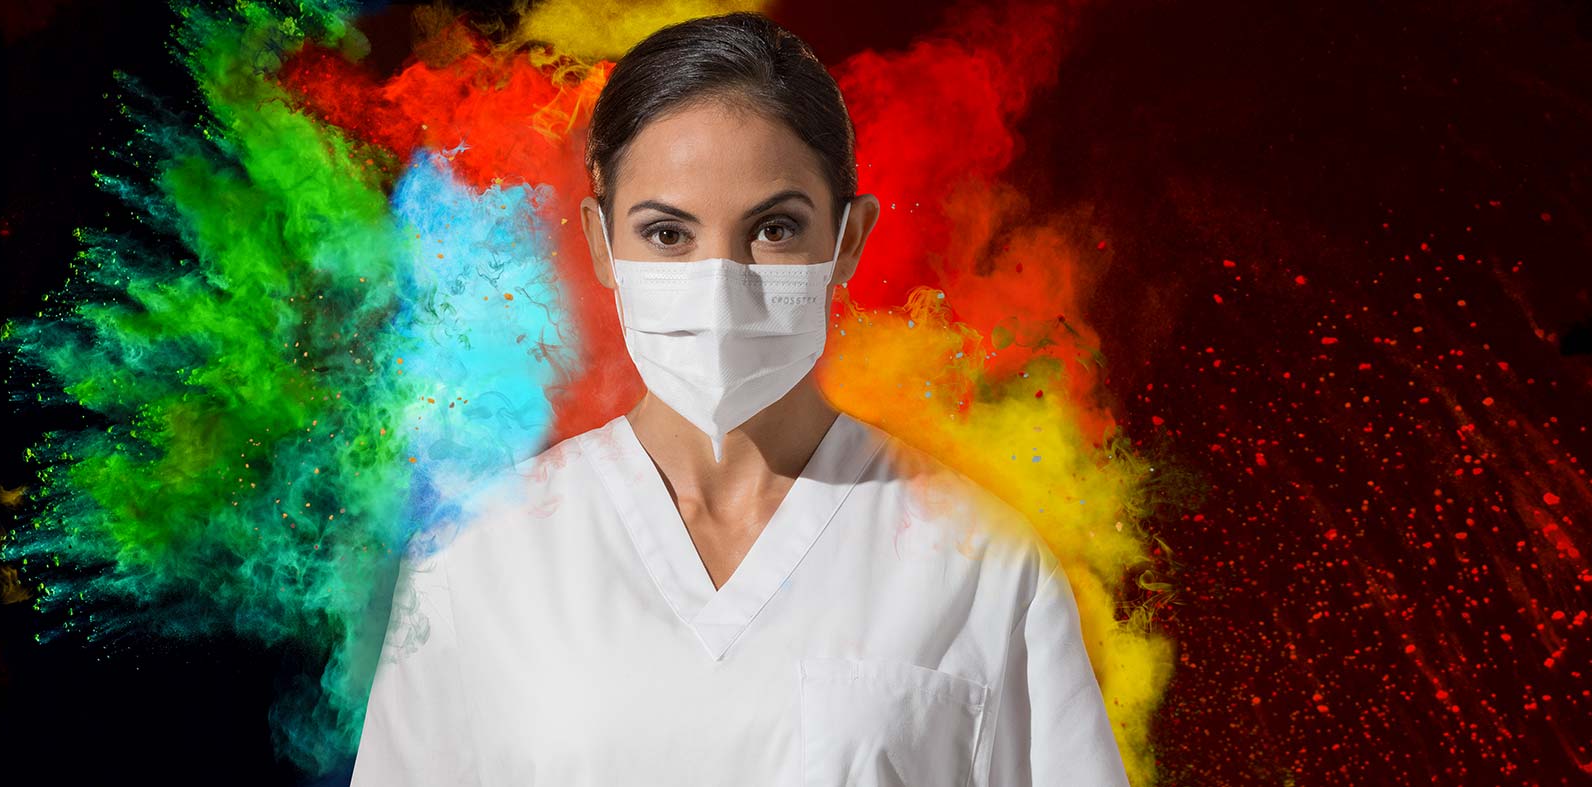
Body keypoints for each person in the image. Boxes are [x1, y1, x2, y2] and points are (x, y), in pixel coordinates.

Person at [350, 11, 1131, 787]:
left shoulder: (981, 568)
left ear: (848, 239)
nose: (720, 280)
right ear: (599, 243)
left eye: (774, 229)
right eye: (667, 234)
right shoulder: (478, 565)